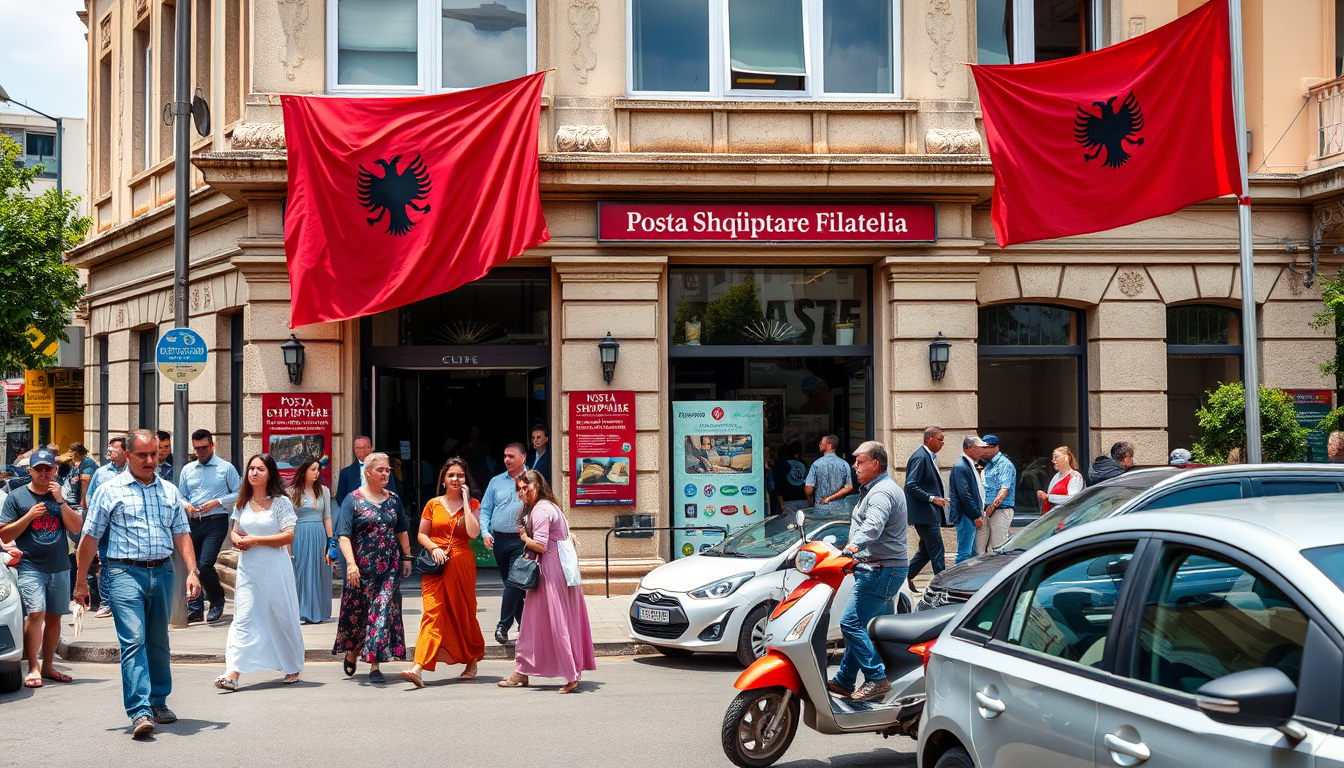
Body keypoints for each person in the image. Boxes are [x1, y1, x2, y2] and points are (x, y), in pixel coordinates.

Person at [74, 430, 202, 738]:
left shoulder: (169, 491)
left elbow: (182, 533)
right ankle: (140, 711)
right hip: (123, 574)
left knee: (158, 641)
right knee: (134, 641)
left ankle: (159, 701)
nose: (149, 460)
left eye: (154, 454)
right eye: (142, 455)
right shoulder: (109, 490)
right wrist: (80, 583)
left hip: (162, 572)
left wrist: (193, 571)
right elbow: (89, 538)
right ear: (127, 456)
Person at [497, 470, 595, 693]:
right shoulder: (550, 507)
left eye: (526, 487)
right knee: (534, 624)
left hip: (549, 571)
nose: (522, 492)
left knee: (555, 623)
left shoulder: (540, 510)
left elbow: (540, 545)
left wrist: (523, 536)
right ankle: (522, 672)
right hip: (556, 569)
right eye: (519, 489)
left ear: (538, 486)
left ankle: (570, 675)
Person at [826, 441, 908, 702]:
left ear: (877, 463)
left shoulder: (882, 493)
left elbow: (872, 526)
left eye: (860, 461)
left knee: (850, 623)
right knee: (862, 626)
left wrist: (852, 546)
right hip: (878, 568)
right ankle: (845, 680)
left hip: (881, 570)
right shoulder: (874, 488)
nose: (855, 466)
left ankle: (875, 678)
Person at [215, 454, 304, 691]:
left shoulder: (281, 502)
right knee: (243, 617)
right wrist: (238, 540)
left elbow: (288, 536)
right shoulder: (241, 502)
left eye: (260, 469)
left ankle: (292, 665)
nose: (254, 473)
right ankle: (232, 672)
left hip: (275, 567)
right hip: (248, 569)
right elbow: (236, 531)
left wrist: (256, 540)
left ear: (270, 473)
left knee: (279, 614)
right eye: (251, 469)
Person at [0, 448, 85, 689]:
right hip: (30, 565)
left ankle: (48, 666)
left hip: (59, 566)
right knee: (35, 614)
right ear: (30, 471)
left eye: (48, 469)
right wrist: (28, 517)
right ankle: (33, 666)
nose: (44, 473)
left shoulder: (60, 496)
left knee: (55, 617)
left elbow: (76, 527)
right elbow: (5, 534)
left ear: (55, 470)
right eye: (39, 469)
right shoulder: (17, 497)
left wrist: (60, 500)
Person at [400, 458, 484, 688]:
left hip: (462, 563)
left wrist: (466, 501)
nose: (456, 479)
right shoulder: (433, 504)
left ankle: (472, 658)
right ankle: (418, 667)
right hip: (436, 566)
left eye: (460, 476)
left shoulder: (474, 503)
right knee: (432, 612)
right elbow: (421, 535)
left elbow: (474, 533)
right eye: (451, 476)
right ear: (443, 479)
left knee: (464, 613)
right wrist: (434, 547)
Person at [333, 452, 411, 684]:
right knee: (358, 614)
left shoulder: (394, 499)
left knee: (381, 613)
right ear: (367, 473)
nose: (386, 473)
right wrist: (350, 565)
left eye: (387, 470)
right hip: (360, 569)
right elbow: (343, 535)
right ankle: (352, 651)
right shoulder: (352, 500)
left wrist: (407, 557)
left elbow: (402, 529)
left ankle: (375, 664)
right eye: (380, 470)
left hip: (389, 567)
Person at [177, 429, 241, 623]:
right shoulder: (188, 469)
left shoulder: (226, 468)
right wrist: (186, 505)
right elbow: (180, 495)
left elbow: (239, 493)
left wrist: (217, 502)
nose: (200, 452)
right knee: (191, 566)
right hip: (193, 521)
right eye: (196, 449)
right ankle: (195, 608)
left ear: (212, 445)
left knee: (205, 564)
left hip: (216, 520)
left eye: (204, 448)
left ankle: (216, 599)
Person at [480, 442, 528, 644]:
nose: (507, 460)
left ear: (523, 458)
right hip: (499, 540)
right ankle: (527, 628)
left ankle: (503, 626)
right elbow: (485, 509)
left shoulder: (532, 479)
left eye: (512, 456)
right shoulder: (496, 482)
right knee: (511, 585)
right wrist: (484, 531)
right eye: (505, 456)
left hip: (522, 540)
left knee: (514, 582)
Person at [86, 437, 129, 618]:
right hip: (105, 529)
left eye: (114, 450)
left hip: (127, 528)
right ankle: (106, 602)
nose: (110, 453)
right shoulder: (101, 473)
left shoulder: (133, 472)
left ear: (125, 452)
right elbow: (90, 499)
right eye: (109, 449)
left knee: (127, 564)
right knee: (105, 563)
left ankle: (124, 601)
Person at [288, 458, 334, 624]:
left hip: (319, 534)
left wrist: (331, 541)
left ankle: (318, 612)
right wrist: (288, 545)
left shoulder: (324, 491)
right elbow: (289, 520)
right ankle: (300, 611)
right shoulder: (292, 492)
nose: (317, 473)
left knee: (319, 570)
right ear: (304, 470)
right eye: (313, 469)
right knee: (300, 571)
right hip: (300, 533)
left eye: (319, 469)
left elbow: (327, 517)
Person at [903, 427, 948, 592]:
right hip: (924, 515)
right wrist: (931, 498)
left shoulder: (927, 457)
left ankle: (905, 577)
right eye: (940, 439)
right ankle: (941, 588)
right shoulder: (921, 457)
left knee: (927, 551)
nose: (942, 443)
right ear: (929, 438)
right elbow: (910, 485)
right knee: (937, 551)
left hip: (928, 514)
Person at [948, 436, 987, 566]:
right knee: (964, 554)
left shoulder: (968, 464)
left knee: (971, 553)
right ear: (970, 448)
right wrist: (975, 515)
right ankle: (957, 582)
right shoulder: (961, 466)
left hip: (970, 515)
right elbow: (964, 494)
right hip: (966, 515)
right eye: (981, 448)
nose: (984, 451)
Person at [976, 435, 1016, 555]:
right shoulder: (988, 465)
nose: (982, 451)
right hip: (985, 509)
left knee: (998, 547)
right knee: (979, 548)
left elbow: (1005, 488)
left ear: (994, 447)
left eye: (985, 448)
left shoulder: (1005, 464)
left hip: (1000, 509)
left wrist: (993, 505)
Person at [335, 436, 398, 507]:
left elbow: (392, 494)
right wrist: (351, 510)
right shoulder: (346, 472)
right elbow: (340, 498)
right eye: (358, 448)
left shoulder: (384, 470)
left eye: (364, 447)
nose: (361, 450)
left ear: (370, 448)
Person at [805, 434, 853, 513]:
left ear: (829, 445)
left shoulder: (816, 464)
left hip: (820, 509)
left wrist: (811, 504)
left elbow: (808, 490)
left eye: (822, 443)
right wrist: (831, 498)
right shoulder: (844, 464)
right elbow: (849, 487)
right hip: (840, 509)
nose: (820, 445)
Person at [1037, 446, 1084, 514]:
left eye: (1056, 458)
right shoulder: (1056, 476)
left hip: (1066, 515)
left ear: (1066, 459)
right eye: (1053, 458)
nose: (1053, 460)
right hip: (1053, 515)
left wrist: (1048, 497)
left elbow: (1072, 499)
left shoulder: (1075, 476)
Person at [771, 440, 808, 513]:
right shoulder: (803, 464)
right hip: (804, 500)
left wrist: (781, 506)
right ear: (800, 451)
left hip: (788, 501)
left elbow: (778, 486)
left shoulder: (781, 465)